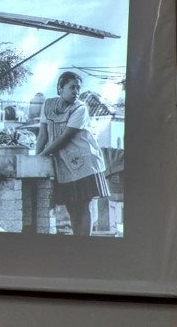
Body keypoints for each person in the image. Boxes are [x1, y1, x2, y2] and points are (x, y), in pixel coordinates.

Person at [35, 71, 110, 236]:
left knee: (83, 205)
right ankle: (77, 241)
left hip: (85, 162)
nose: (76, 91)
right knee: (71, 206)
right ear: (60, 88)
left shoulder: (80, 108)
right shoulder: (47, 105)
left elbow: (64, 138)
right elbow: (42, 135)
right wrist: (35, 158)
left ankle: (84, 245)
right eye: (72, 87)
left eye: (78, 88)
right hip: (64, 164)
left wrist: (42, 156)